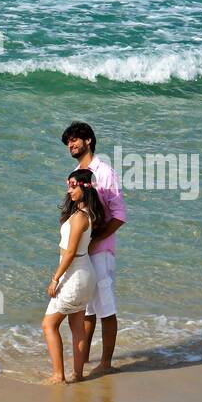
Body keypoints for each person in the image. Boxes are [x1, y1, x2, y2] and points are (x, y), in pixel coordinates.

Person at [61, 121, 127, 376]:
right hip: (82, 253)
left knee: (106, 308)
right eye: (68, 142)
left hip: (101, 251)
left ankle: (106, 363)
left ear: (88, 140)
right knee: (86, 309)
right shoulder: (76, 174)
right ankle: (84, 359)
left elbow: (119, 214)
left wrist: (96, 239)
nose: (70, 144)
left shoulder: (105, 172)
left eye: (74, 139)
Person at [43, 169, 105, 384]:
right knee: (77, 327)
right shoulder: (85, 214)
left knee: (48, 325)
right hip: (85, 276)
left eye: (73, 186)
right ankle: (77, 375)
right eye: (68, 185)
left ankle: (58, 375)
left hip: (74, 276)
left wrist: (54, 279)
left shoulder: (80, 218)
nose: (69, 190)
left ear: (84, 188)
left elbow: (69, 252)